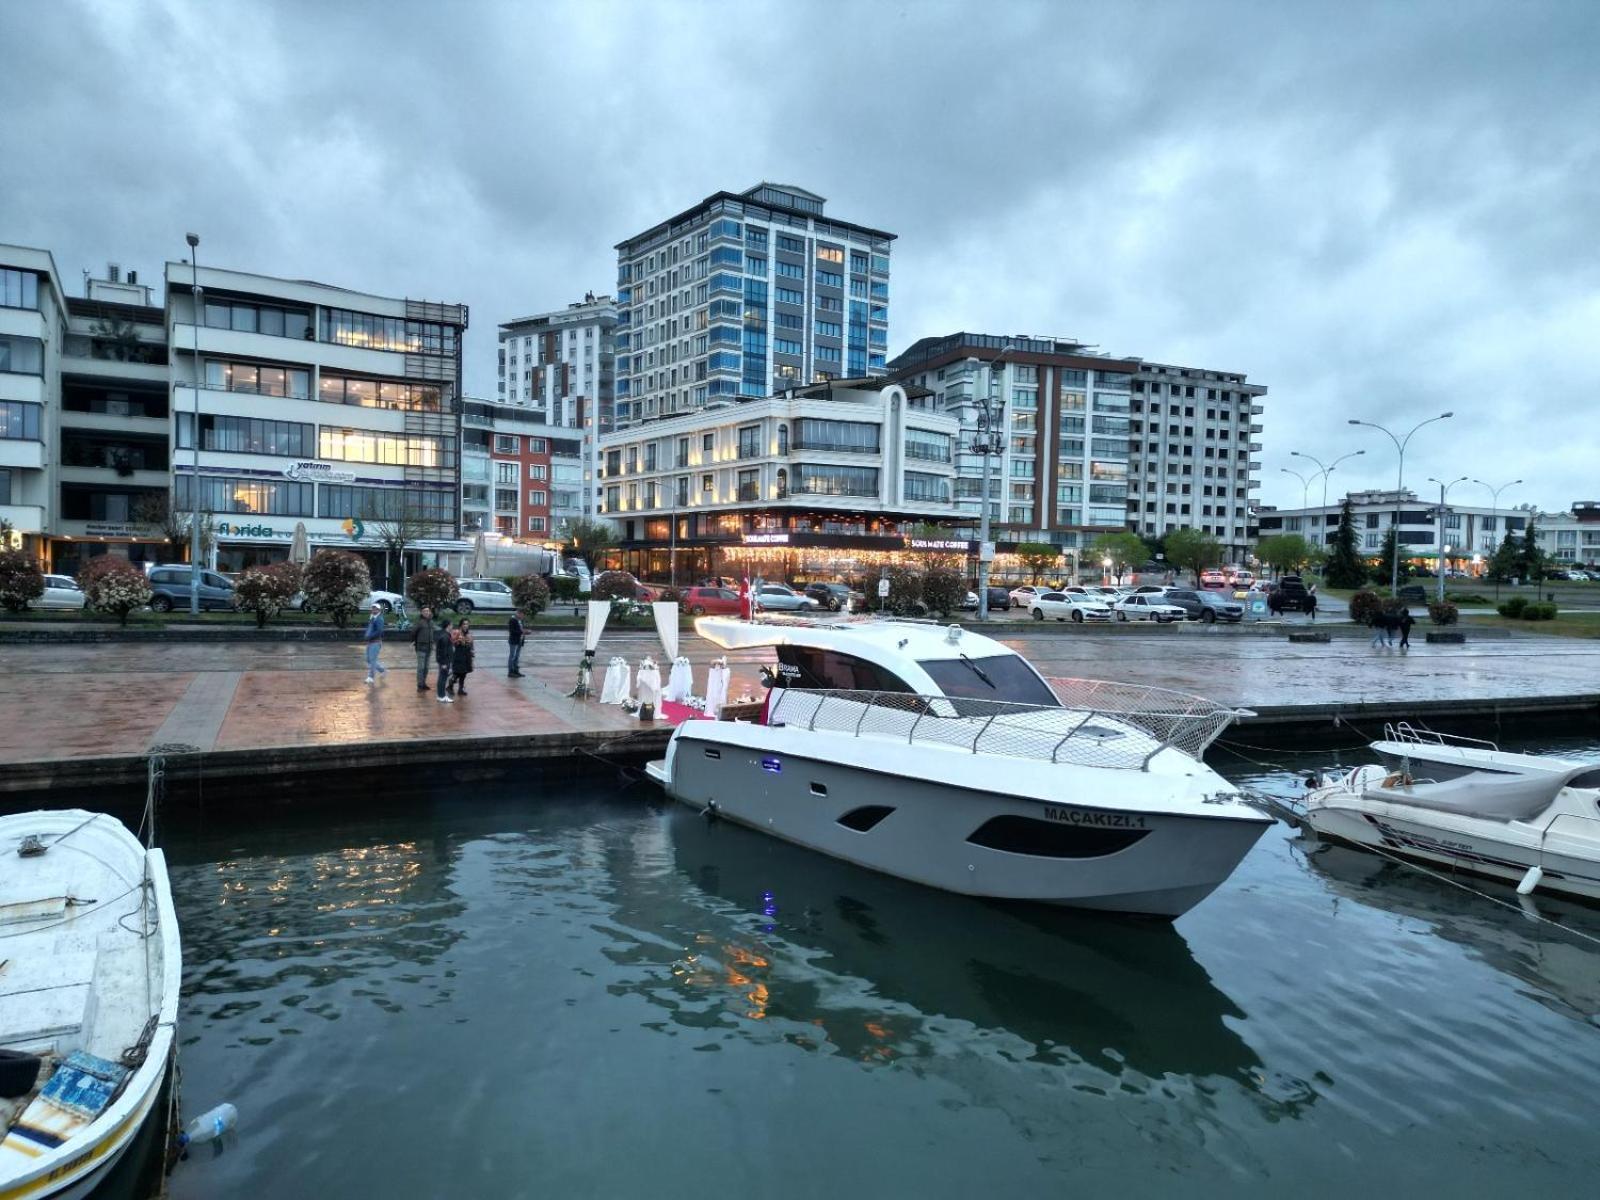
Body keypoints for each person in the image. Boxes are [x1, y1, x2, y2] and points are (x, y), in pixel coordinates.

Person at [362, 604, 388, 684]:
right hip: (370, 641)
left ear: (379, 610)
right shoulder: (372, 618)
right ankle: (383, 670)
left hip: (375, 642)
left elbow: (379, 631)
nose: (374, 610)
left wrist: (369, 636)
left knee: (372, 660)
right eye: (373, 608)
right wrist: (367, 635)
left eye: (376, 609)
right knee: (368, 659)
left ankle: (371, 677)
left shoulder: (379, 619)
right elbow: (370, 629)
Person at [411, 606, 435, 692]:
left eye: (428, 611)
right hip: (421, 648)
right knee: (421, 668)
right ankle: (419, 685)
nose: (426, 612)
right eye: (424, 611)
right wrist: (415, 641)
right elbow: (413, 632)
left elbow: (432, 633)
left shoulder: (431, 622)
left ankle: (423, 683)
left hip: (429, 648)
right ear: (421, 612)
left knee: (426, 668)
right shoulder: (419, 622)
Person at [449, 618, 475, 697]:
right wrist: (458, 641)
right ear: (461, 625)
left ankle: (460, 689)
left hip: (467, 655)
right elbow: (453, 642)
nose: (465, 626)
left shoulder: (469, 634)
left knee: (464, 673)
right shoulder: (457, 632)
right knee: (457, 672)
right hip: (459, 655)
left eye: (467, 624)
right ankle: (450, 686)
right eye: (464, 624)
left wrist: (472, 656)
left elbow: (472, 646)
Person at [434, 619, 455, 702]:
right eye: (451, 625)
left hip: (444, 660)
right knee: (442, 678)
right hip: (445, 661)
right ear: (448, 625)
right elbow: (443, 650)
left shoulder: (443, 634)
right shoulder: (445, 636)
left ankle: (440, 695)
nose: (452, 626)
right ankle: (441, 696)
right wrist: (443, 663)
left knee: (442, 677)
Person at [507, 607, 526, 678]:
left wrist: (524, 632)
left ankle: (516, 670)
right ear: (518, 613)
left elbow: (521, 629)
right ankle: (510, 671)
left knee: (517, 656)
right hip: (513, 641)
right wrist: (523, 632)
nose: (523, 616)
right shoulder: (512, 620)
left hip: (519, 640)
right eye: (522, 615)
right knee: (512, 656)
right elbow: (512, 631)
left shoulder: (520, 620)